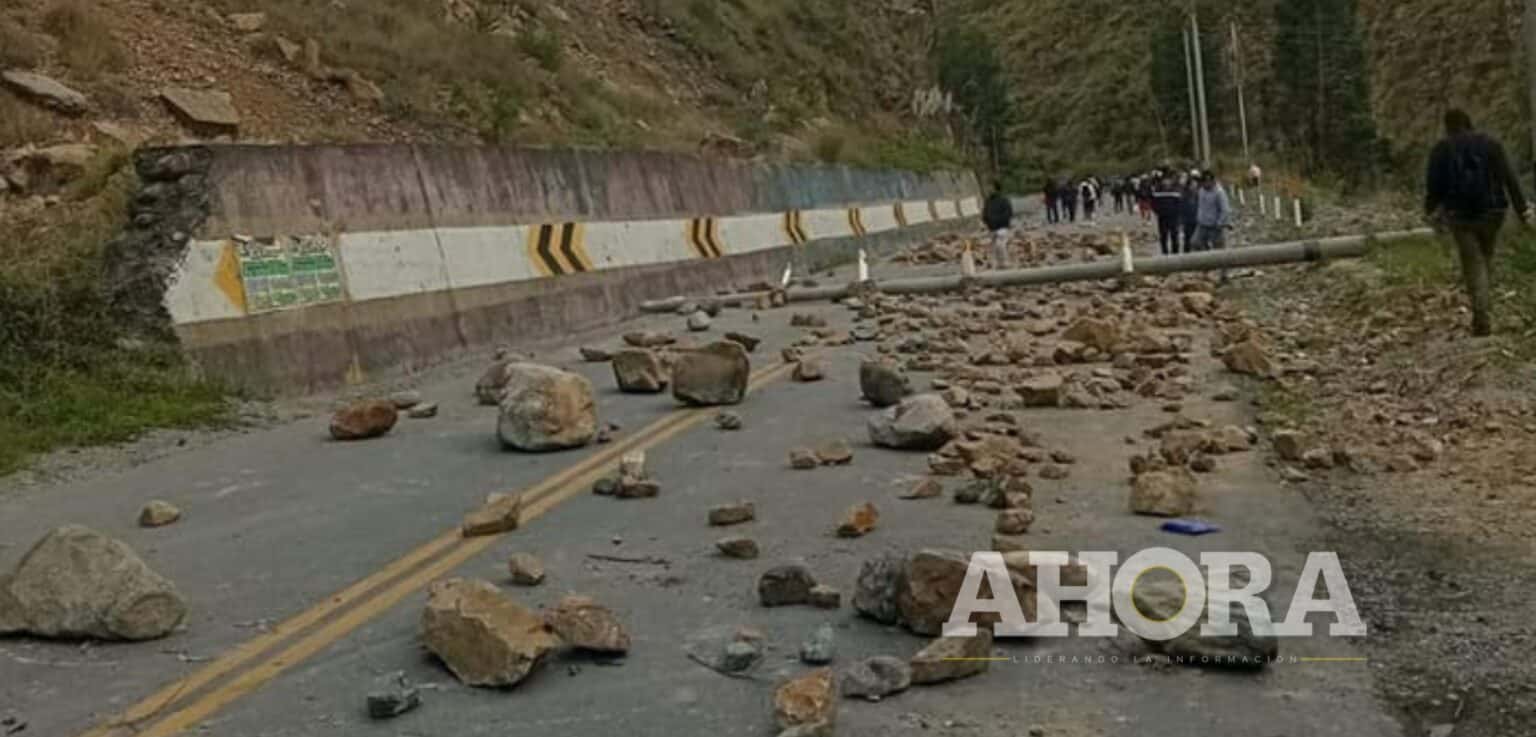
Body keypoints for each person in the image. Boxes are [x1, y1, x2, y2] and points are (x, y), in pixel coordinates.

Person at [1425, 109, 1529, 336]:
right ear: (1469, 122)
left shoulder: (1441, 149)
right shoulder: (1491, 144)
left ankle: (1481, 317)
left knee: (1472, 263)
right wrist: (1522, 211)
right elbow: (1510, 178)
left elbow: (1433, 187)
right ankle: (1484, 308)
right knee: (1486, 257)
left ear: (1448, 126)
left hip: (1460, 216)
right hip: (1493, 213)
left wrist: (1430, 212)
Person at [1188, 170, 1231, 253]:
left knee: (1219, 248)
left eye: (1208, 181)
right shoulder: (1201, 191)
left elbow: (1225, 209)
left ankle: (1220, 263)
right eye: (1204, 182)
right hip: (1202, 224)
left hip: (1215, 225)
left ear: (1212, 181)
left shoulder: (1219, 192)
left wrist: (1220, 222)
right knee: (1195, 243)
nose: (1206, 184)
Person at [982, 183, 1015, 270]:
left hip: (1002, 227)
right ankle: (997, 264)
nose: (988, 190)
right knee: (993, 247)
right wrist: (986, 221)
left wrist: (997, 220)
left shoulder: (1004, 200)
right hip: (992, 228)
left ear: (996, 188)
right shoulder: (988, 201)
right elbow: (985, 213)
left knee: (1000, 245)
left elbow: (1009, 213)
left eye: (991, 187)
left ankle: (1005, 263)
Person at [1151, 173, 1184, 255]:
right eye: (1165, 180)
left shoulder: (1176, 190)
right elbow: (1153, 203)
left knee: (1174, 236)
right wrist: (1158, 212)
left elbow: (1180, 203)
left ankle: (1175, 253)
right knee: (1163, 237)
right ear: (1162, 181)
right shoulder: (1157, 191)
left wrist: (1177, 214)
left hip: (1173, 218)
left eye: (1168, 180)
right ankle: (1164, 253)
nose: (1166, 182)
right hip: (1162, 218)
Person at [1180, 171, 1201, 245]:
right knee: (1187, 240)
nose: (1194, 184)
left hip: (1199, 221)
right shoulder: (1185, 194)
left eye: (1196, 181)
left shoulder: (1201, 194)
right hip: (1188, 221)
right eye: (1192, 182)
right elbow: (1182, 208)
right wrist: (1181, 222)